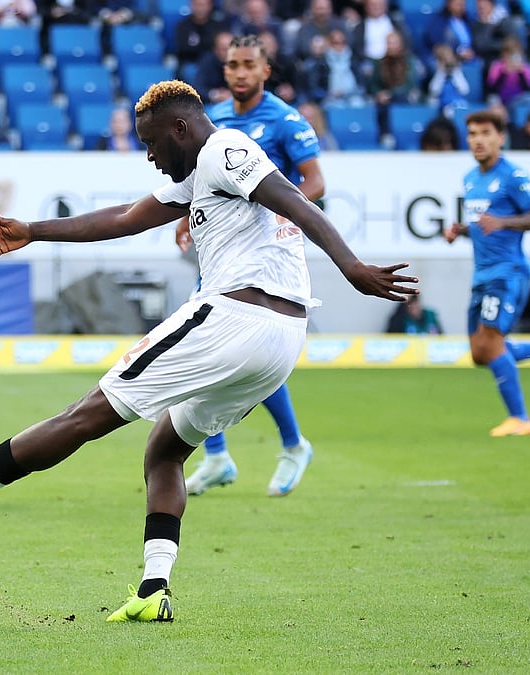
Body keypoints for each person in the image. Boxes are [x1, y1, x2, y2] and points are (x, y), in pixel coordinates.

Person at [0, 79, 418, 622]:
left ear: (180, 129)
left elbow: (294, 201)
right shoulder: (201, 173)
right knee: (164, 449)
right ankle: (153, 590)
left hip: (235, 318)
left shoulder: (224, 151)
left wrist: (351, 266)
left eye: (151, 143)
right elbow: (123, 218)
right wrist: (35, 230)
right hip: (280, 341)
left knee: (86, 413)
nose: (149, 155)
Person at [183, 33, 325, 499]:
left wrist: (281, 208)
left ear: (266, 70)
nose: (240, 72)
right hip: (222, 254)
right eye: (232, 65)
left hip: (266, 261)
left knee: (244, 352)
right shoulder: (217, 121)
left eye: (249, 64)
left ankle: (292, 444)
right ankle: (218, 455)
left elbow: (315, 182)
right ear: (224, 71)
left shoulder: (284, 121)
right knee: (200, 349)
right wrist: (187, 219)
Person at [443, 110, 530, 437]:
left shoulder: (513, 175)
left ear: (501, 137)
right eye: (472, 133)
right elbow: (484, 226)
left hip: (507, 272)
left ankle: (521, 419)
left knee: (492, 346)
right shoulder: (471, 178)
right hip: (482, 274)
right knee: (480, 353)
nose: (478, 140)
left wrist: (503, 222)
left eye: (485, 133)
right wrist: (463, 231)